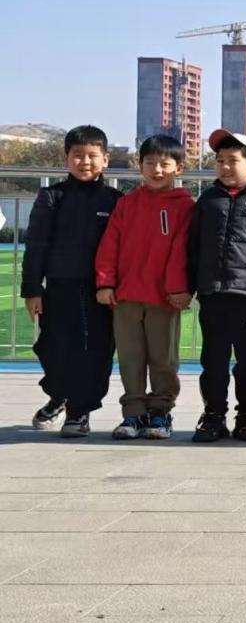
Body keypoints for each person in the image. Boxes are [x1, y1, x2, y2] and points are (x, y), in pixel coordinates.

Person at [22, 125, 122, 437]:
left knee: (95, 352)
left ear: (105, 159)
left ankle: (80, 412)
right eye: (77, 155)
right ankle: (59, 395)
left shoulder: (116, 200)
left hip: (100, 292)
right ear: (66, 158)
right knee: (51, 349)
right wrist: (32, 289)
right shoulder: (51, 197)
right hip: (60, 288)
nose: (85, 162)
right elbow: (36, 245)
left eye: (92, 155)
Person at [94, 134, 195, 440]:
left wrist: (179, 289)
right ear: (140, 167)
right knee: (130, 357)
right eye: (149, 163)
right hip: (126, 297)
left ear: (179, 168)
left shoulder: (185, 206)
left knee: (164, 358)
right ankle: (133, 414)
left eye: (165, 164)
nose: (157, 170)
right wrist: (105, 283)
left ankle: (161, 412)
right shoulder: (127, 204)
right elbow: (109, 245)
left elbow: (184, 251)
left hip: (164, 298)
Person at [187, 130, 246, 443]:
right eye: (220, 160)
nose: (225, 167)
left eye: (233, 160)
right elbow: (194, 247)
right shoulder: (208, 200)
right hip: (213, 295)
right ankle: (214, 415)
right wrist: (190, 287)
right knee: (213, 360)